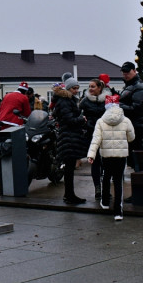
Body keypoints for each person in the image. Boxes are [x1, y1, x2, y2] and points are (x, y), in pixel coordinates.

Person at [86, 95, 134, 221]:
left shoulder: (100, 121)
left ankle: (105, 201)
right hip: (121, 156)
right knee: (118, 181)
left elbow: (96, 140)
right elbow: (131, 137)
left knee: (106, 176)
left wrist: (91, 155)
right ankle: (118, 212)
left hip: (106, 155)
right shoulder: (126, 120)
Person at [53, 77, 87, 205]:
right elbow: (69, 120)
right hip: (69, 136)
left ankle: (69, 194)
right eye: (74, 88)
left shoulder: (66, 100)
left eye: (77, 88)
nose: (76, 90)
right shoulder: (65, 101)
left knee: (70, 167)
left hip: (68, 136)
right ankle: (69, 195)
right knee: (69, 167)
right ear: (68, 88)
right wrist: (81, 119)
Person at [78, 78, 110, 202]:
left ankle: (106, 188)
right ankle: (97, 188)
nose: (90, 89)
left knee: (106, 162)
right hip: (91, 134)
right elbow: (79, 114)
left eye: (93, 86)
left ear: (99, 88)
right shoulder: (85, 101)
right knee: (95, 161)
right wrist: (84, 122)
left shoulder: (107, 100)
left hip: (106, 133)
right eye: (89, 86)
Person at [118, 61, 143, 157]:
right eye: (123, 72)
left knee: (135, 152)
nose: (125, 74)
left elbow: (137, 108)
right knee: (132, 153)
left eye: (127, 72)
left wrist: (118, 106)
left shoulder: (138, 86)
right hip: (130, 124)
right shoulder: (131, 85)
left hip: (135, 125)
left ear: (134, 71)